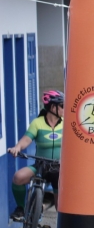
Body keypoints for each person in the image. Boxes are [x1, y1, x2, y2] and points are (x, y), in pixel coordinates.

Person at [7, 91, 64, 220]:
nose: (64, 108)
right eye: (62, 105)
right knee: (18, 177)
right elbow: (26, 139)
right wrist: (17, 147)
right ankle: (21, 208)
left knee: (60, 208)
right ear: (52, 107)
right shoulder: (37, 123)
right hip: (41, 165)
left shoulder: (66, 123)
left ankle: (46, 202)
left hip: (59, 168)